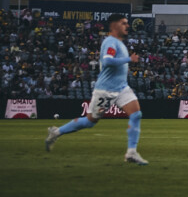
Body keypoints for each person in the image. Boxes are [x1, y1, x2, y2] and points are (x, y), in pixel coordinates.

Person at [45, 13, 148, 165]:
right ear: (114, 25)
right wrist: (129, 59)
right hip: (106, 90)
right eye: (123, 23)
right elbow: (107, 62)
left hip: (121, 88)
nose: (127, 26)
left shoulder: (119, 43)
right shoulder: (110, 42)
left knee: (136, 114)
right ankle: (56, 132)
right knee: (89, 121)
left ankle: (131, 152)